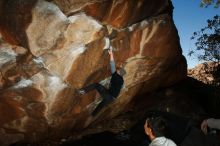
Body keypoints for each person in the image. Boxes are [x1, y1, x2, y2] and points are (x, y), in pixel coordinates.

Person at [77, 46, 125, 116]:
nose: (117, 70)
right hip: (112, 98)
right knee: (103, 103)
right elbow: (119, 79)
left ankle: (82, 91)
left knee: (96, 85)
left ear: (119, 73)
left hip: (109, 95)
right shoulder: (121, 80)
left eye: (118, 70)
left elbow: (112, 64)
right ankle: (93, 114)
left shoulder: (116, 75)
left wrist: (111, 54)